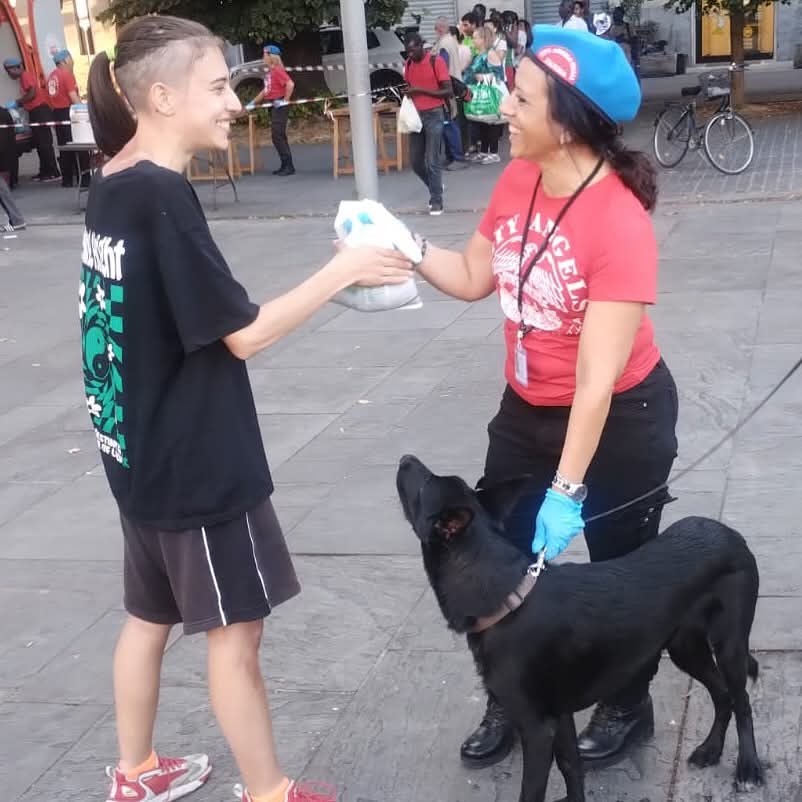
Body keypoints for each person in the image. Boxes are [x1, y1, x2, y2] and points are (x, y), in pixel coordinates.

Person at [83, 15, 413, 802]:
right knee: (237, 637)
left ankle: (135, 773)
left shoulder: (111, 184)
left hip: (135, 454)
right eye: (217, 84)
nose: (236, 100)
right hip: (198, 468)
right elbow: (242, 335)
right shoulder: (162, 197)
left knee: (147, 618)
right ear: (161, 97)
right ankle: (269, 792)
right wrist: (348, 273)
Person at [411, 24, 678, 770]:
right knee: (501, 560)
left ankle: (629, 702)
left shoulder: (619, 221)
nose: (502, 104)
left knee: (624, 570)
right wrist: (397, 247)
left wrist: (569, 489)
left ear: (563, 122)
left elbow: (597, 380)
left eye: (521, 97)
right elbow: (471, 277)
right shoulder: (517, 179)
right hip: (526, 407)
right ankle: (513, 692)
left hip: (622, 415)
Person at [404, 32, 452, 215]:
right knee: (416, 162)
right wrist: (409, 92)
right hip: (416, 116)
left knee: (433, 160)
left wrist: (420, 90)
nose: (410, 54)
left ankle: (436, 199)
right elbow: (409, 84)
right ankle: (435, 185)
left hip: (434, 114)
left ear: (421, 46)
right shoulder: (408, 64)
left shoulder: (436, 62)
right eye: (407, 51)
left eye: (413, 50)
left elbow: (447, 91)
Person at [3, 56, 60, 181]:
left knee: (44, 143)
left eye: (9, 71)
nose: (9, 74)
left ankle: (53, 172)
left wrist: (17, 103)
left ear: (17, 68)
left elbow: (32, 94)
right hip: (35, 112)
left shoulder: (25, 76)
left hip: (40, 111)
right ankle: (44, 171)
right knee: (39, 143)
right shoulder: (23, 78)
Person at [246, 45, 295, 176]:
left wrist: (285, 100)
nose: (263, 57)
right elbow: (265, 91)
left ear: (271, 57)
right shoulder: (271, 72)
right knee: (278, 136)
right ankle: (286, 165)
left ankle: (288, 166)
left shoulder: (278, 70)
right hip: (273, 104)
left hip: (279, 104)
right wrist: (252, 103)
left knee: (277, 135)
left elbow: (290, 84)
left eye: (264, 55)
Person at [462, 25, 506, 165]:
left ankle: (493, 152)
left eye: (475, 38)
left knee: (491, 121)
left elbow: (499, 75)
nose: (473, 40)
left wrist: (484, 77)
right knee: (481, 121)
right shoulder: (477, 55)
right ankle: (483, 151)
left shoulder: (491, 54)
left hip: (490, 92)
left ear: (483, 39)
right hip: (478, 92)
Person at [433, 16, 468, 170]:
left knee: (450, 124)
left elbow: (442, 67)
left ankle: (457, 158)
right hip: (451, 87)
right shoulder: (450, 41)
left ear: (439, 29)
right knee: (450, 122)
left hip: (447, 89)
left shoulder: (444, 44)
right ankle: (451, 156)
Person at [47, 49, 85, 188]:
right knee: (79, 145)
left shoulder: (51, 76)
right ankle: (85, 178)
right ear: (64, 61)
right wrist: (84, 110)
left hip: (57, 113)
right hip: (68, 112)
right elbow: (73, 96)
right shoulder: (66, 74)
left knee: (64, 148)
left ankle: (67, 180)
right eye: (70, 59)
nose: (72, 62)